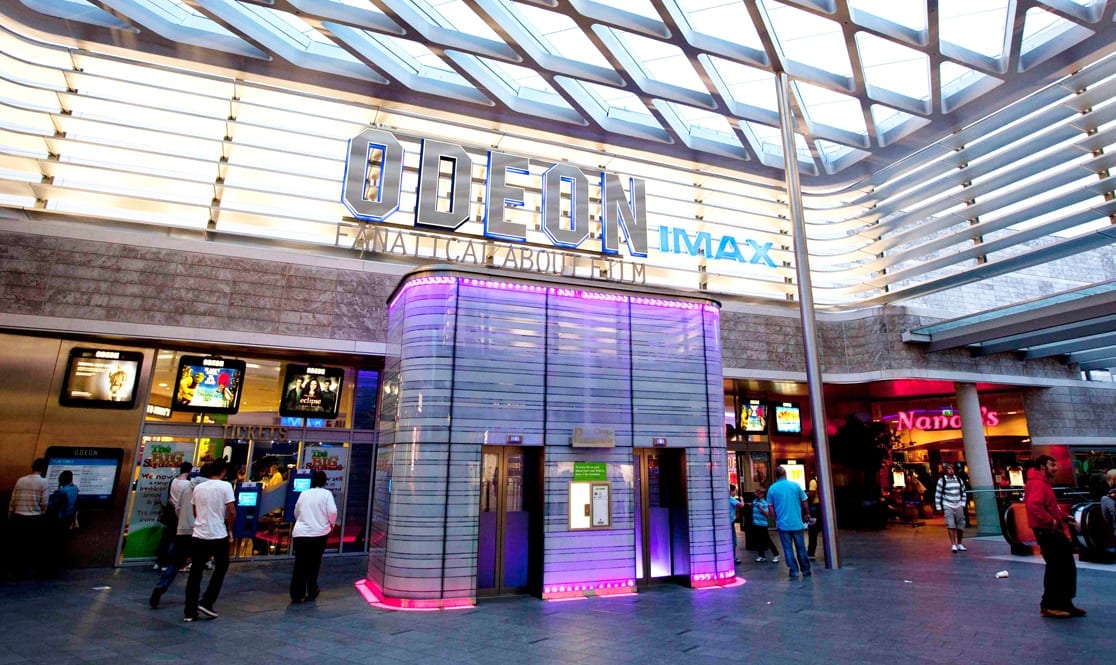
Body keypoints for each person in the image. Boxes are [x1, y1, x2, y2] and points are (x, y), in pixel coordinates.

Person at [1024, 455, 1084, 618]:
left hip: (1049, 529)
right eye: (1052, 465)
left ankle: (1064, 603)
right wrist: (1051, 521)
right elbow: (1034, 505)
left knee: (1063, 566)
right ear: (1042, 466)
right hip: (1047, 530)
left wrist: (1062, 517)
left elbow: (1048, 505)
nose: (1055, 468)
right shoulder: (1037, 483)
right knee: (1058, 566)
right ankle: (1051, 604)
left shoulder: (1041, 482)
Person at [183, 459, 235, 622]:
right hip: (217, 534)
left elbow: (195, 510)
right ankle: (207, 601)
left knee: (195, 572)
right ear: (223, 471)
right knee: (222, 566)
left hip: (199, 534)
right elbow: (232, 511)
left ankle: (189, 611)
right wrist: (230, 529)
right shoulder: (225, 486)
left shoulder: (198, 488)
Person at [150, 462, 196, 609]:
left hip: (175, 515)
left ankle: (161, 565)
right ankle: (193, 601)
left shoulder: (174, 481)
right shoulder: (189, 486)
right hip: (186, 522)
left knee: (169, 539)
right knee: (175, 544)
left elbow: (172, 501)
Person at [290, 470, 337, 603]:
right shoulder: (326, 494)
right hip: (319, 533)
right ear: (324, 481)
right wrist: (331, 524)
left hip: (301, 533)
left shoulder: (304, 493)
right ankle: (312, 589)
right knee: (314, 563)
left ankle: (296, 593)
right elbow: (332, 511)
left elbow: (296, 511)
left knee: (300, 563)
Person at [7, 457, 50, 577]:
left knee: (18, 545)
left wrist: (11, 513)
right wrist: (42, 512)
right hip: (34, 517)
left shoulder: (21, 480)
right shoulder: (44, 482)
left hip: (18, 516)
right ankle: (30, 570)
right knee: (32, 545)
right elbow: (44, 503)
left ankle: (17, 569)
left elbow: (13, 498)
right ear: (43, 468)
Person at [767, 465, 811, 579]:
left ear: (775, 475)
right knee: (801, 547)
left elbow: (770, 507)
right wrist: (807, 514)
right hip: (797, 522)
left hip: (783, 524)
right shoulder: (795, 486)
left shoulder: (772, 488)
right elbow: (805, 501)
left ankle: (794, 570)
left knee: (787, 548)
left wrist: (776, 517)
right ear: (785, 474)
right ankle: (806, 570)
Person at [45, 470, 79, 574]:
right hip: (68, 519)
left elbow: (51, 505)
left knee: (54, 544)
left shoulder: (62, 492)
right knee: (61, 544)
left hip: (59, 520)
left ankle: (51, 568)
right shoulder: (75, 488)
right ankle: (57, 567)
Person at [934, 463, 968, 553]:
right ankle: (953, 544)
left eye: (952, 468)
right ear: (945, 470)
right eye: (949, 469)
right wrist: (938, 506)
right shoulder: (942, 481)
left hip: (958, 504)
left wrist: (963, 503)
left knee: (960, 525)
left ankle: (959, 543)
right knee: (950, 525)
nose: (951, 470)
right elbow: (938, 493)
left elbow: (963, 492)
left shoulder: (959, 480)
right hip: (948, 504)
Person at [750, 486, 779, 563]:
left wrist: (760, 508)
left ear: (762, 494)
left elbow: (766, 513)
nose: (758, 495)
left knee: (767, 540)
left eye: (759, 493)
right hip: (756, 523)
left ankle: (776, 554)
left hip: (762, 524)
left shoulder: (764, 503)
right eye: (757, 493)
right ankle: (761, 555)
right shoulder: (754, 501)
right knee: (758, 540)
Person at [806, 474, 821, 559]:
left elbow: (811, 494)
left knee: (812, 532)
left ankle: (811, 553)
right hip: (821, 508)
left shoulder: (813, 482)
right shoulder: (822, 481)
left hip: (815, 507)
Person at [728, 485, 741, 564]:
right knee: (733, 540)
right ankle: (733, 557)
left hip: (727, 522)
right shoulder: (731, 499)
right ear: (731, 491)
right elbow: (741, 505)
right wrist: (742, 500)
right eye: (734, 490)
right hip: (731, 522)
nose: (735, 492)